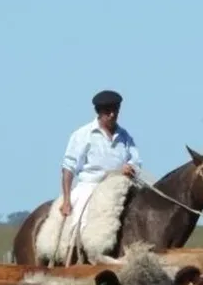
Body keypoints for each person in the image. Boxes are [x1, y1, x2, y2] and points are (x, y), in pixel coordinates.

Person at [59, 89, 141, 220]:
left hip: (119, 186)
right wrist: (66, 200)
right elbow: (68, 168)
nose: (112, 115)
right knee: (76, 221)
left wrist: (131, 167)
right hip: (90, 187)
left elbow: (136, 161)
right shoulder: (82, 135)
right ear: (99, 112)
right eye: (108, 111)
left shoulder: (125, 136)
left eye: (115, 110)